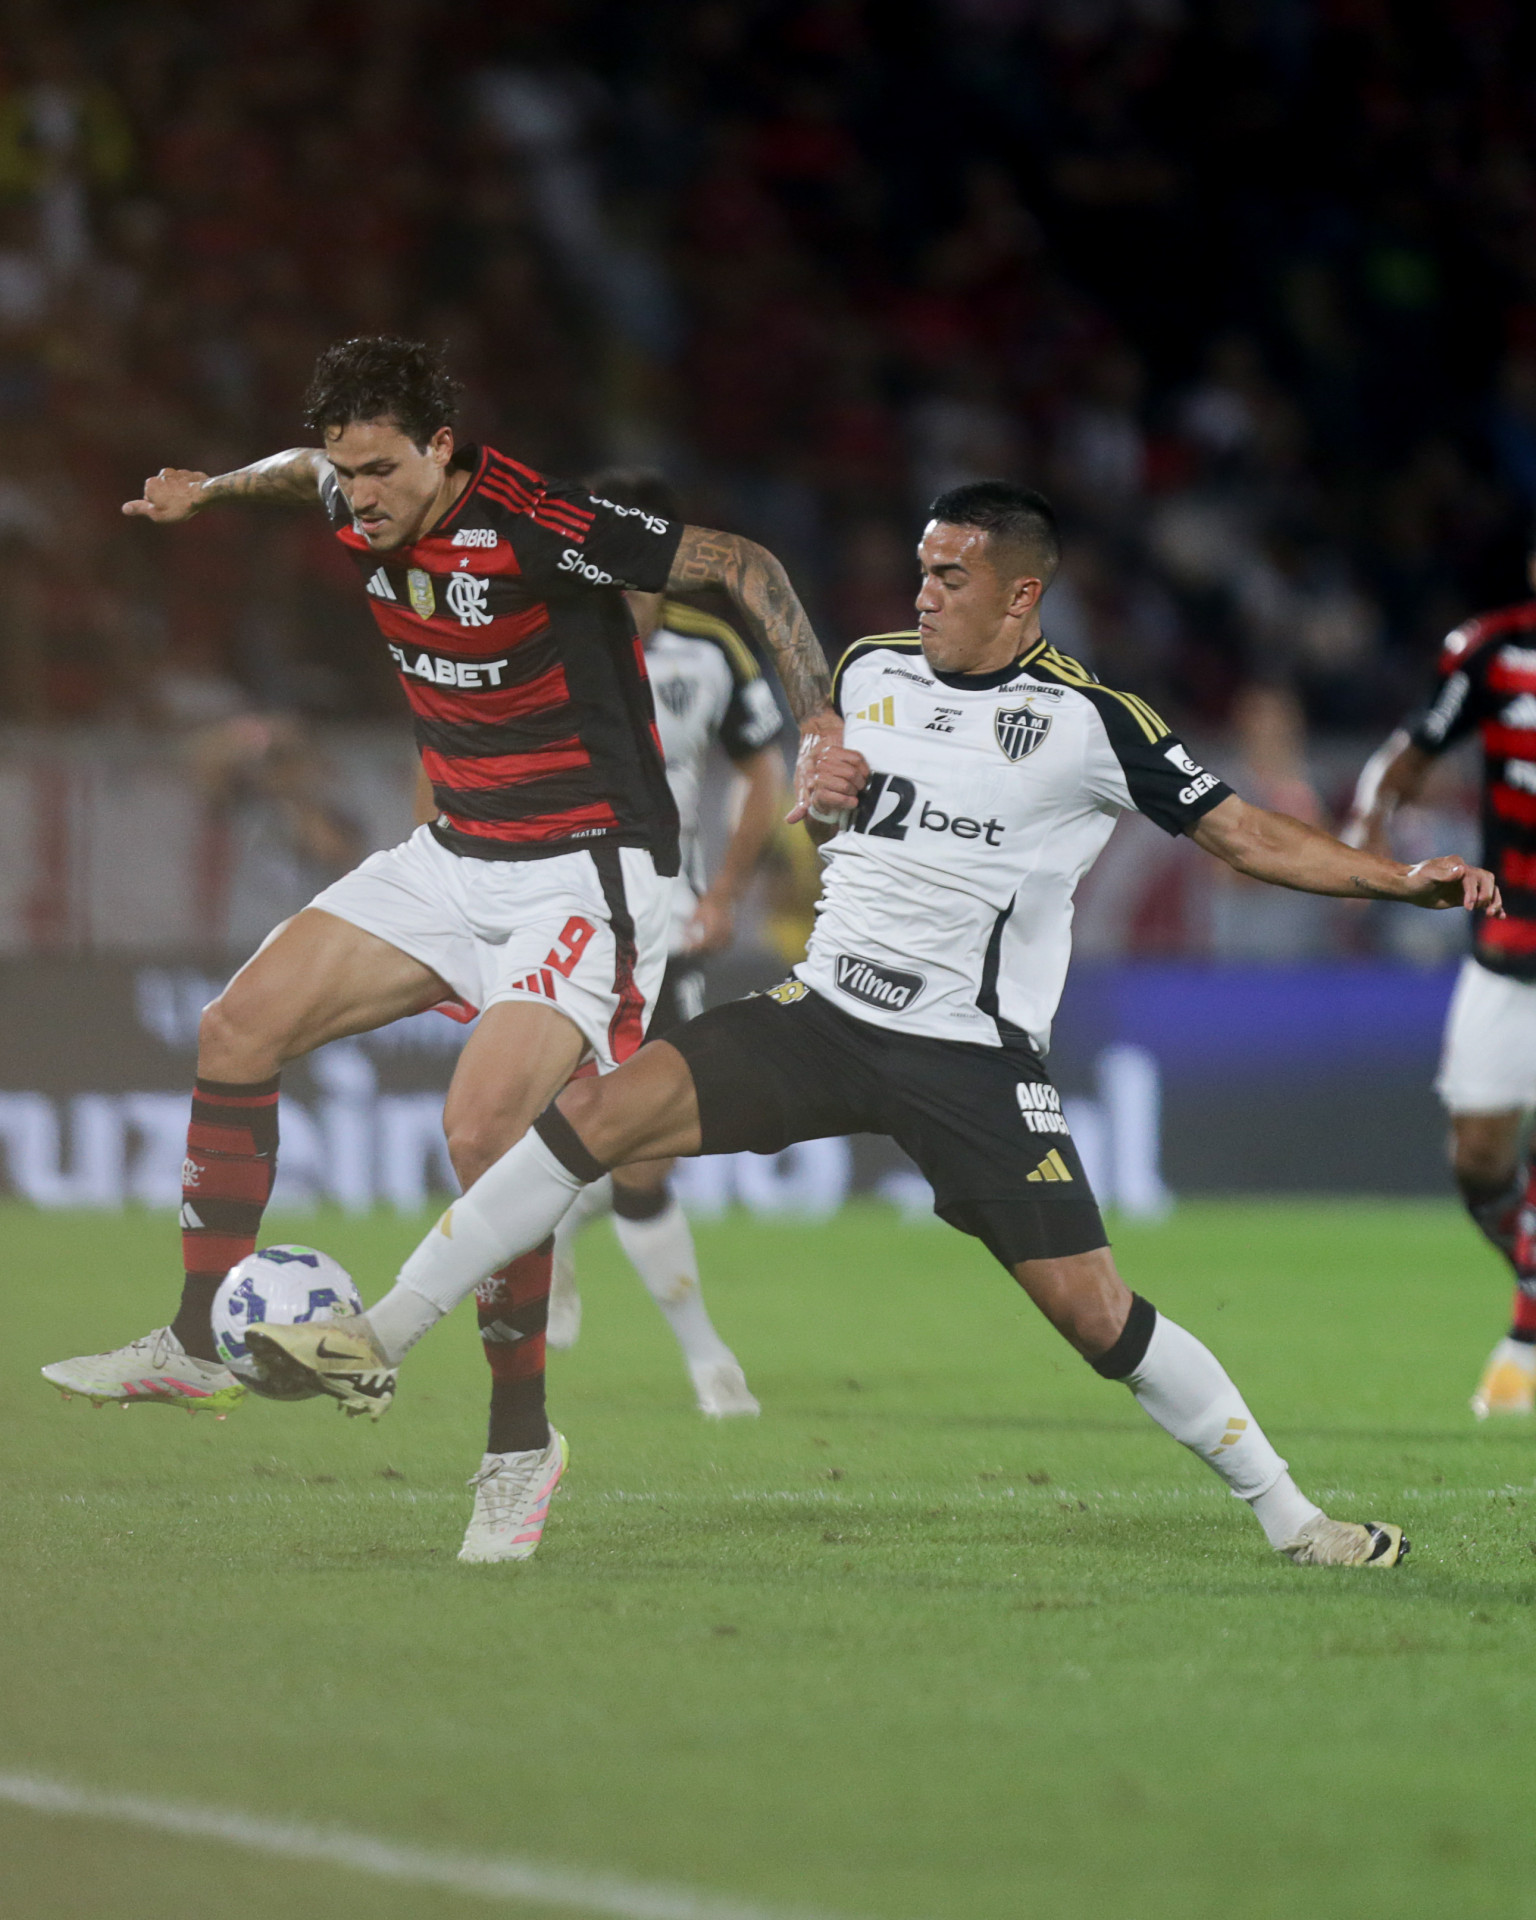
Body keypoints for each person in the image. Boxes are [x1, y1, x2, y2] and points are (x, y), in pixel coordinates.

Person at [251, 482, 1502, 1570]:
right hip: (824, 1010)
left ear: (1022, 599)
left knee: (1095, 1315)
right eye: (921, 567)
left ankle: (1293, 1518)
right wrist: (821, 791)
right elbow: (839, 809)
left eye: (953, 576)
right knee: (585, 1114)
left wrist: (1397, 879)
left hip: (969, 1056)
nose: (925, 592)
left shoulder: (1091, 722)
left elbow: (1239, 830)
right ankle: (383, 1335)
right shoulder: (865, 672)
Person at [41, 335, 836, 1563]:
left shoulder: (539, 522)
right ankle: (197, 1342)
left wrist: (823, 713)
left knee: (481, 1135)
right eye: (349, 472)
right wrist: (209, 487)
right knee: (235, 1029)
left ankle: (519, 1446)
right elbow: (297, 464)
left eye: (381, 470)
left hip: (589, 863)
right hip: (455, 853)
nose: (359, 496)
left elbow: (740, 562)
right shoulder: (347, 487)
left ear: (444, 451)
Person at [520, 466, 785, 1420]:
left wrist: (725, 893)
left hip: (668, 928)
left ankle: (675, 1329)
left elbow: (768, 776)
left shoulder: (712, 649)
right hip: (562, 916)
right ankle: (709, 1360)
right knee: (573, 1123)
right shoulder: (537, 631)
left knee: (643, 1151)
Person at [1345, 544, 1536, 1418]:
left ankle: (1527, 1335)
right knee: (1479, 1157)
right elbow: (1413, 751)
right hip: (1509, 944)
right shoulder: (1492, 655)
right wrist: (1368, 827)